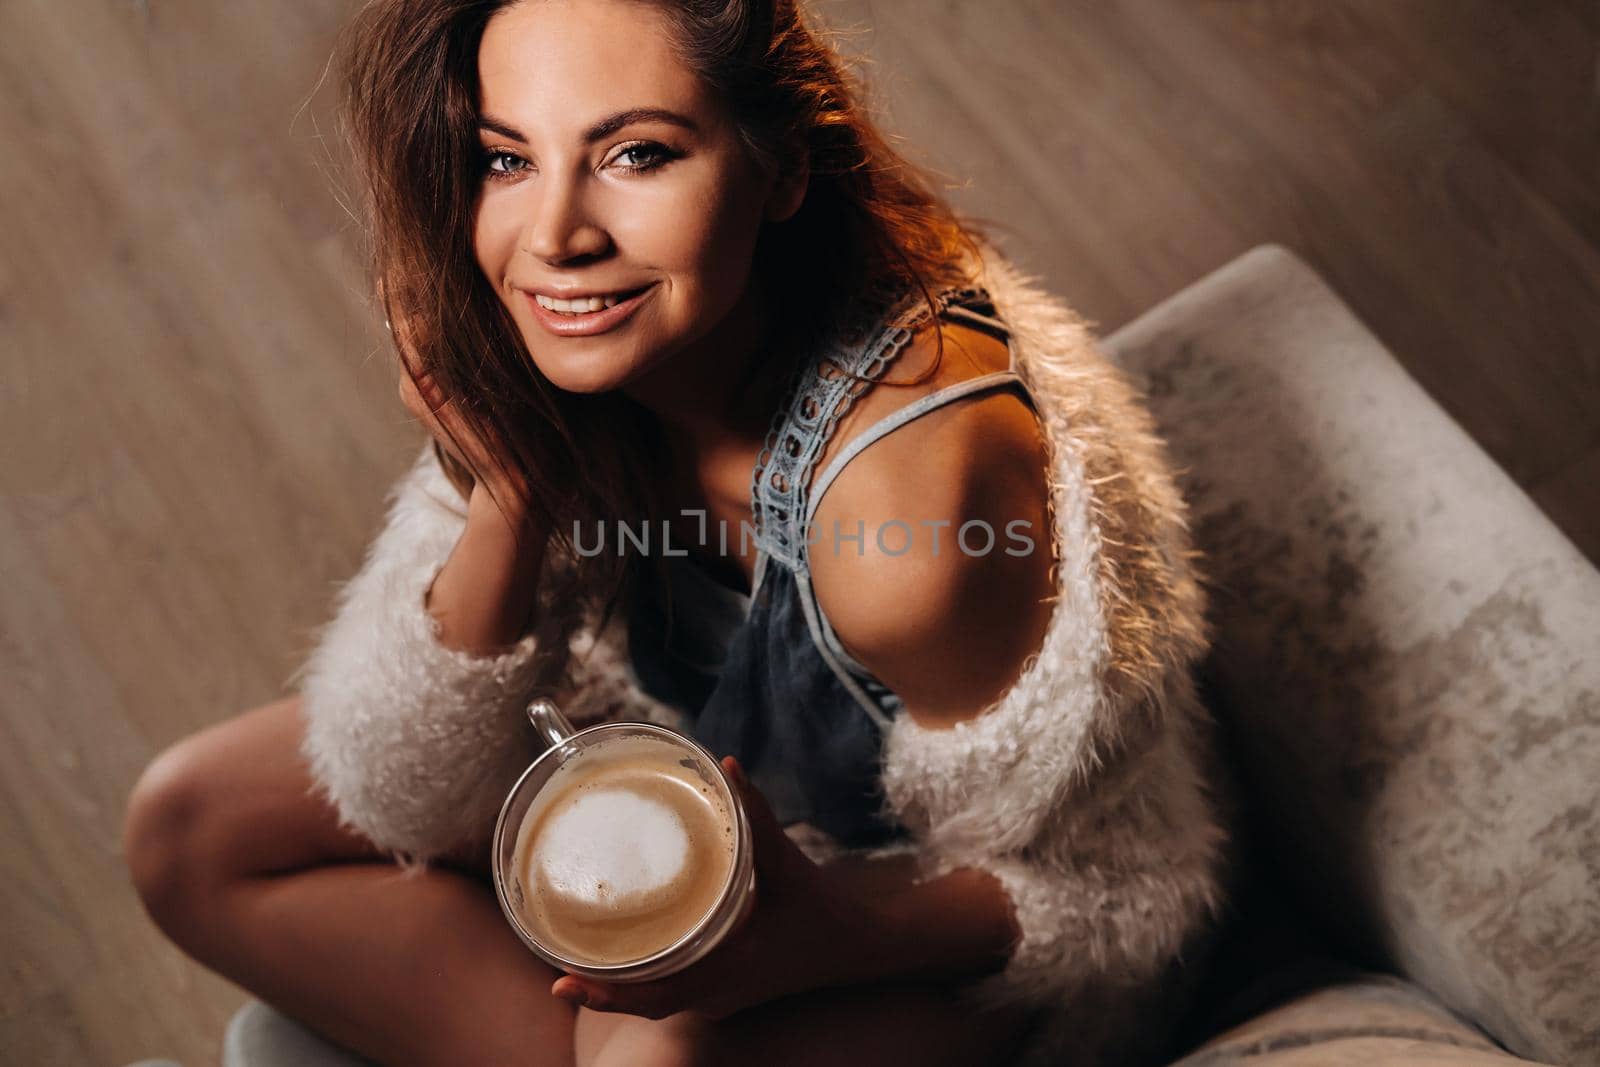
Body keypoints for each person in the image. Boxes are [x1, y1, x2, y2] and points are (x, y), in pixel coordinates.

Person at [121, 0, 1233, 1064]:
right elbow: (402, 792)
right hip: (683, 770)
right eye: (508, 157)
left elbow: (1122, 890)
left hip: (927, 915)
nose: (553, 236)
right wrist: (508, 487)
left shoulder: (905, 527)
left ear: (784, 161)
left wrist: (821, 936)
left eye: (636, 153)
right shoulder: (569, 340)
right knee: (189, 827)